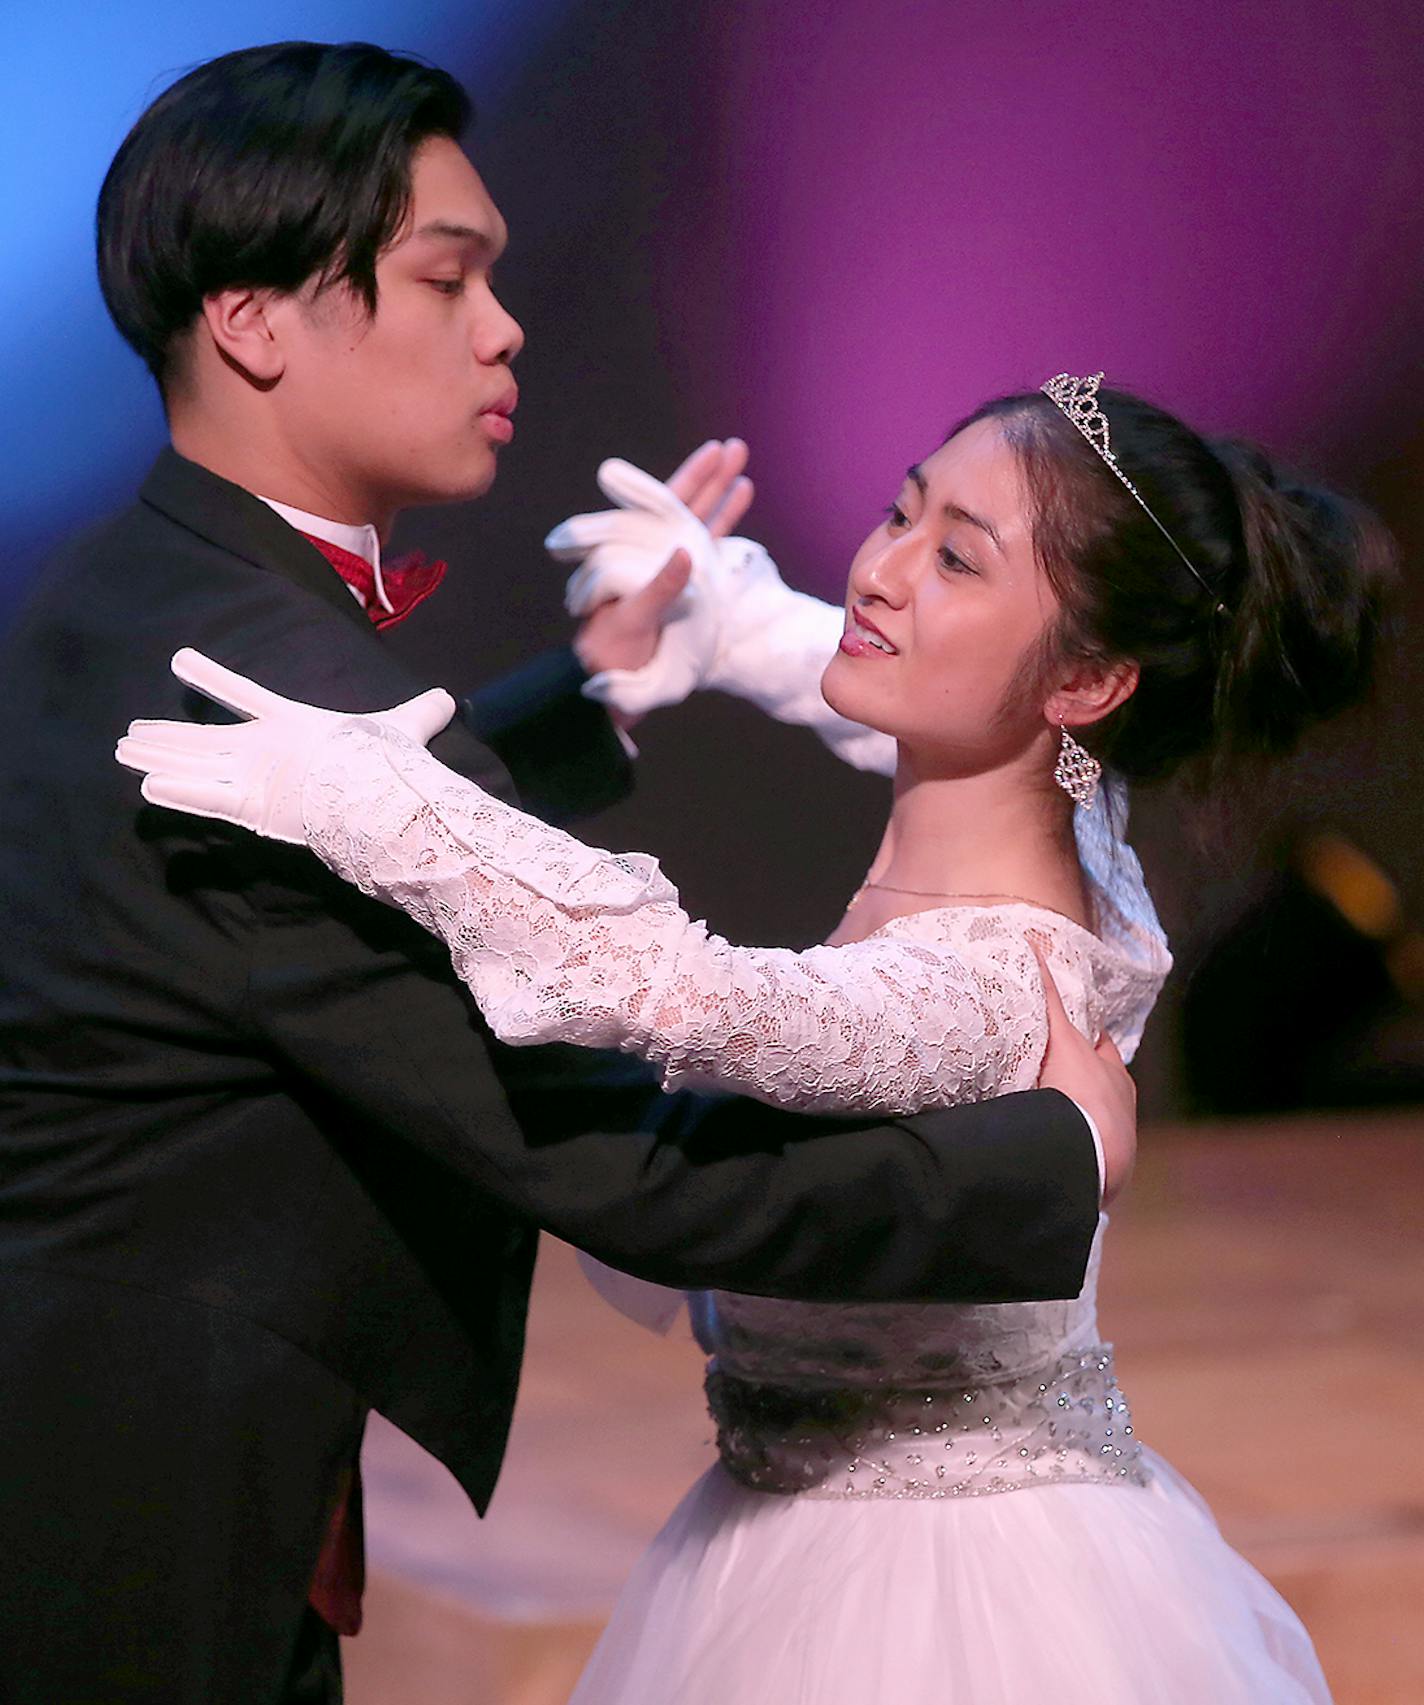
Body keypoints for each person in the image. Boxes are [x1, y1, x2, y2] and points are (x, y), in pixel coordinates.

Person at [0, 43, 1127, 1705]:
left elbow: (344, 876)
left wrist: (586, 696)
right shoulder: (265, 694)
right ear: (251, 322)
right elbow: (619, 1161)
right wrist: (1047, 1159)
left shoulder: (158, 589)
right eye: (446, 278)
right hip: (141, 1479)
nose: (504, 326)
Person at [120, 370, 1395, 1701]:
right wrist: (725, 617)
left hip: (938, 1601)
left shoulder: (984, 988)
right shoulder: (1087, 846)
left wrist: (388, 810)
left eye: (956, 555)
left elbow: (695, 996)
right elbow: (876, 682)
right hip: (788, 1520)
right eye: (902, 510)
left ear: (1087, 678)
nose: (884, 570)